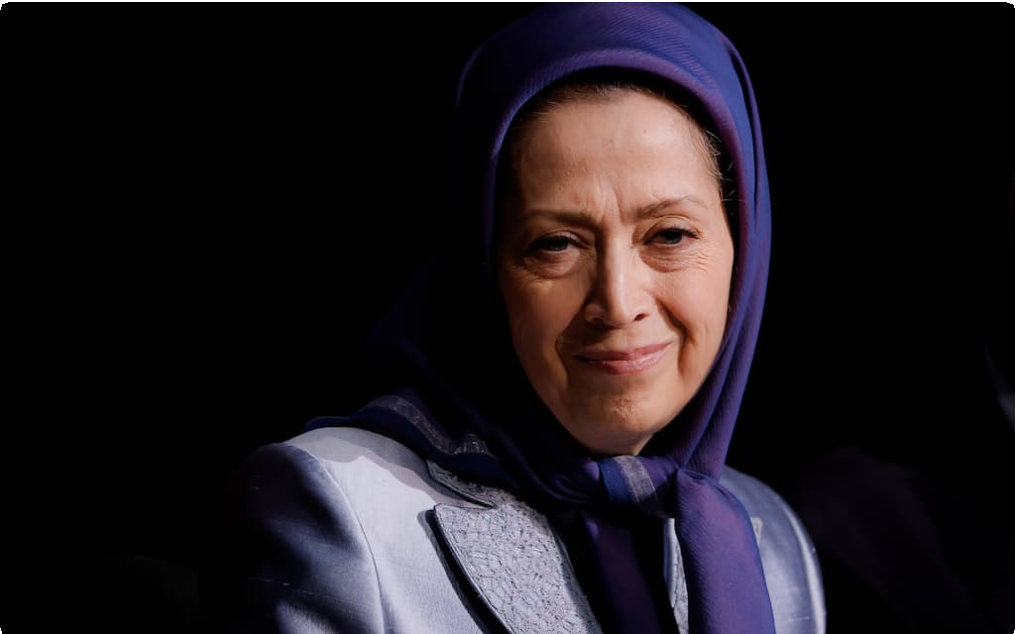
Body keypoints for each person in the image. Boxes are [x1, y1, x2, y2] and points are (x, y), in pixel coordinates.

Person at [210, 4, 825, 633]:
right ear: (483, 266)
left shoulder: (771, 539)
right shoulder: (340, 512)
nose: (618, 302)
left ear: (744, 247)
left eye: (669, 235)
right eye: (556, 244)